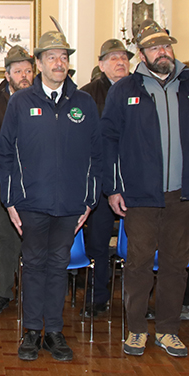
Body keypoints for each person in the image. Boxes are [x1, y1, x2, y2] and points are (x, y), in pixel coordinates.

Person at [104, 21, 189, 359]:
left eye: (166, 46)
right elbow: (109, 142)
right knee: (138, 263)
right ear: (142, 55)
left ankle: (168, 330)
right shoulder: (124, 90)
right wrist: (113, 188)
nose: (162, 52)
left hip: (183, 195)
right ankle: (136, 329)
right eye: (154, 48)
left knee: (175, 263)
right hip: (140, 194)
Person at [0, 27, 102, 362]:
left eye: (64, 57)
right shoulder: (20, 102)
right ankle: (31, 331)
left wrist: (90, 200)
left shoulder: (84, 103)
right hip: (30, 203)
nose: (59, 62)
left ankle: (54, 332)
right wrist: (11, 201)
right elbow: (5, 154)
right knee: (33, 265)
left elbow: (96, 155)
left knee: (59, 266)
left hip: (71, 204)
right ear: (38, 63)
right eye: (52, 57)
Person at [0, 45, 34, 315]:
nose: (24, 75)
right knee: (4, 236)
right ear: (7, 74)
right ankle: (3, 291)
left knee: (32, 236)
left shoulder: (41, 100)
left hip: (35, 180)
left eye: (28, 70)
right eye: (18, 71)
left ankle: (31, 291)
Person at [77, 37, 131, 316]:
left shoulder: (142, 89)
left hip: (134, 182)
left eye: (124, 57)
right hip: (98, 184)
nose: (120, 62)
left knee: (138, 246)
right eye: (113, 58)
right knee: (97, 246)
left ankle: (136, 304)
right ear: (100, 64)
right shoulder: (86, 96)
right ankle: (97, 298)